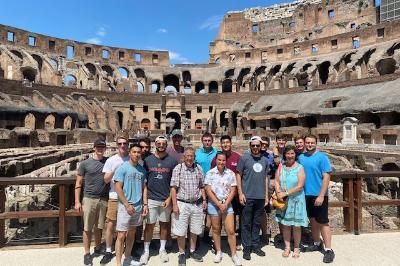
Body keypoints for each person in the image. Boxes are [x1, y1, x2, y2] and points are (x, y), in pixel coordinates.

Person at [140, 136, 178, 265]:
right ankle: (146, 251)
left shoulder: (172, 161)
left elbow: (174, 183)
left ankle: (162, 249)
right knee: (149, 226)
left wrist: (169, 199)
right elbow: (144, 182)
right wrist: (145, 201)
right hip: (151, 198)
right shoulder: (148, 160)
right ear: (155, 144)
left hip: (165, 199)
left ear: (166, 145)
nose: (161, 145)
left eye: (163, 144)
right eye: (159, 143)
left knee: (164, 225)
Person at [299, 134, 335, 263]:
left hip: (319, 195)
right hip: (305, 195)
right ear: (304, 144)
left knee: (323, 222)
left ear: (316, 143)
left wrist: (321, 195)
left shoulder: (322, 158)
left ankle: (329, 249)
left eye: (312, 143)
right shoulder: (301, 157)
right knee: (312, 220)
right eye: (307, 143)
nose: (309, 145)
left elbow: (326, 177)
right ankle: (316, 243)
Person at [170, 147, 207, 266]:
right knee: (180, 230)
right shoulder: (178, 168)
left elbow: (202, 186)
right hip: (182, 203)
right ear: (183, 157)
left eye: (192, 156)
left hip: (196, 204)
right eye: (187, 156)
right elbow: (173, 188)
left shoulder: (198, 168)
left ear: (194, 157)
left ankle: (192, 250)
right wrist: (175, 205)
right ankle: (181, 253)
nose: (189, 158)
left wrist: (204, 199)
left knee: (195, 229)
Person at [74, 138, 108, 266]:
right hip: (88, 199)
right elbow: (78, 183)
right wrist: (77, 201)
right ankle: (87, 253)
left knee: (99, 227)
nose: (100, 149)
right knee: (87, 228)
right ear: (94, 148)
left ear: (105, 148)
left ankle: (98, 247)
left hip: (103, 199)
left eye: (102, 147)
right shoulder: (85, 164)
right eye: (98, 146)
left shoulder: (108, 162)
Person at [236, 136, 270, 261]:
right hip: (248, 196)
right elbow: (238, 175)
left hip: (260, 196)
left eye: (257, 145)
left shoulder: (265, 160)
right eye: (253, 145)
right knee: (246, 223)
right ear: (250, 146)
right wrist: (240, 193)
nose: (255, 147)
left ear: (261, 146)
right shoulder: (244, 158)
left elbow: (266, 178)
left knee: (256, 223)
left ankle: (255, 245)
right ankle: (247, 247)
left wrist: (266, 195)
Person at [114, 144, 147, 266]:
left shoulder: (142, 170)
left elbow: (144, 188)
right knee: (121, 235)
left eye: (138, 152)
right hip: (125, 207)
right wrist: (127, 204)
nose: (137, 154)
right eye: (134, 152)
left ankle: (127, 258)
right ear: (130, 153)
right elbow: (118, 187)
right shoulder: (123, 168)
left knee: (132, 233)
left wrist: (145, 204)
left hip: (138, 207)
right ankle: (118, 263)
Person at [205, 151, 242, 266]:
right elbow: (208, 189)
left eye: (223, 160)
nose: (221, 162)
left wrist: (225, 203)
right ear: (216, 160)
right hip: (214, 205)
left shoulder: (230, 173)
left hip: (227, 205)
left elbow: (233, 190)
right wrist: (218, 203)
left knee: (230, 231)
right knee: (216, 230)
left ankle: (234, 254)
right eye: (219, 160)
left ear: (226, 161)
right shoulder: (210, 173)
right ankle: (219, 251)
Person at [101, 133, 130, 264]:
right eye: (120, 143)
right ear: (117, 145)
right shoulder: (111, 160)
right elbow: (106, 180)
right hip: (114, 197)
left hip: (129, 198)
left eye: (125, 143)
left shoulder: (133, 158)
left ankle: (125, 250)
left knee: (128, 226)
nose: (122, 146)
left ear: (128, 144)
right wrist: (114, 170)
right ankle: (108, 250)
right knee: (111, 224)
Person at [274, 145, 308, 258]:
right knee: (285, 225)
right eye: (288, 154)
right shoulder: (281, 167)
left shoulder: (300, 168)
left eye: (292, 153)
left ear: (295, 155)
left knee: (297, 226)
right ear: (284, 155)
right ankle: (287, 247)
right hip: (284, 201)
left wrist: (285, 193)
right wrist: (278, 193)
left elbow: (300, 186)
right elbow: (277, 181)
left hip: (296, 200)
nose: (290, 156)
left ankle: (297, 247)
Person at [211, 135, 242, 250]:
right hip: (218, 195)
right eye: (223, 142)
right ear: (221, 144)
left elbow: (241, 174)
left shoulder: (237, 157)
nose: (225, 144)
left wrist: (240, 192)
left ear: (231, 144)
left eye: (227, 142)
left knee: (232, 219)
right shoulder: (216, 158)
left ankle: (232, 243)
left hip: (233, 195)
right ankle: (215, 242)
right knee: (217, 220)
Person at [195, 132, 217, 244]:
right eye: (205, 140)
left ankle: (207, 234)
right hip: (200, 187)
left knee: (211, 213)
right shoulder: (197, 154)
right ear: (202, 141)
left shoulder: (216, 153)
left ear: (212, 141)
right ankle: (197, 236)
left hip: (214, 187)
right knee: (198, 212)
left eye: (209, 140)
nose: (207, 142)